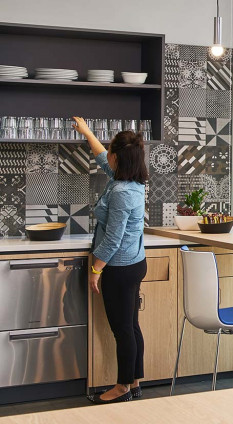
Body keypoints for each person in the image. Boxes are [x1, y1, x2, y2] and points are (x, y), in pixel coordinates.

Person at [73, 117, 148, 404]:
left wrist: (95, 270)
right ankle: (136, 382)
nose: (108, 159)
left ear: (120, 158)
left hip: (119, 267)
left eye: (112, 155)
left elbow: (113, 239)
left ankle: (122, 388)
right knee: (131, 326)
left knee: (123, 330)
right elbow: (102, 156)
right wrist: (86, 131)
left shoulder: (120, 192)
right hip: (134, 262)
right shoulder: (131, 180)